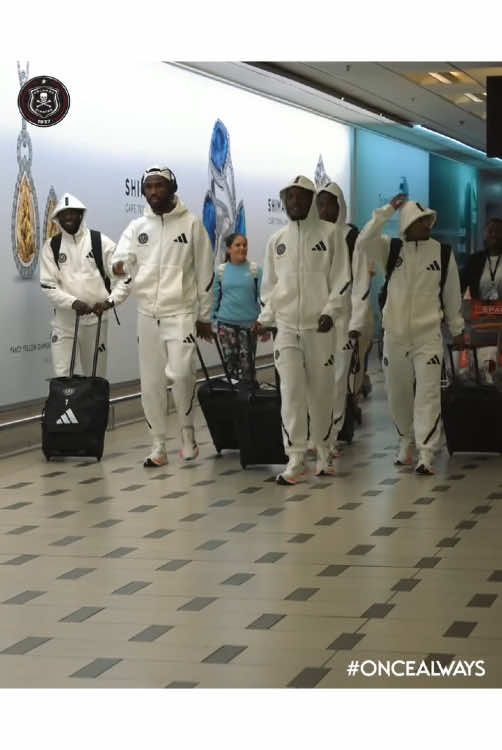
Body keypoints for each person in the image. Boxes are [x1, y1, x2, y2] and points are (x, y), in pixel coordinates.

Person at [112, 166, 214, 468]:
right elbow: (117, 263)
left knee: (182, 373)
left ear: (172, 188)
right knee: (152, 381)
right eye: (149, 187)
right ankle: (158, 444)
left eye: (159, 186)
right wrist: (121, 265)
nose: (153, 192)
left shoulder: (192, 224)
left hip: (180, 311)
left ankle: (186, 432)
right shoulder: (137, 226)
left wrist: (204, 315)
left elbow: (205, 273)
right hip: (147, 313)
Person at [356, 194, 465, 475]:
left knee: (427, 394)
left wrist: (457, 329)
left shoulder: (442, 253)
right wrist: (386, 211)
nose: (427, 224)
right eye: (420, 220)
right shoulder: (390, 249)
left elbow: (452, 294)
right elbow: (363, 240)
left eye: (428, 220)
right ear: (406, 224)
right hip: (395, 336)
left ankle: (427, 453)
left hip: (428, 336)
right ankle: (406, 441)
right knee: (398, 393)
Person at [253, 175, 351, 485]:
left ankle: (323, 450)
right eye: (290, 198)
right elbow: (271, 288)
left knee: (320, 393)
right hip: (286, 329)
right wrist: (266, 317)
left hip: (319, 329)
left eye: (301, 197)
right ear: (284, 201)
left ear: (310, 200)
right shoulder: (277, 240)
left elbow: (341, 279)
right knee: (290, 393)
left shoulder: (331, 235)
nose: (295, 203)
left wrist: (330, 312)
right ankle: (295, 457)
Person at [40, 193, 130, 377]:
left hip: (95, 322)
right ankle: (65, 407)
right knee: (62, 376)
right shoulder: (52, 247)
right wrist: (73, 303)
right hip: (64, 322)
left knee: (95, 375)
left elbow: (125, 277)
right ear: (58, 219)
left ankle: (96, 407)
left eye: (73, 213)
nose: (69, 218)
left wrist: (110, 301)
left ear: (81, 215)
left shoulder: (100, 242)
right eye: (64, 214)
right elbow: (48, 285)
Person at [316, 182, 371, 451]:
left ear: (340, 206)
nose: (325, 210)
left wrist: (357, 322)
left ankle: (335, 430)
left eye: (330, 204)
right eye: (321, 204)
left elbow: (360, 283)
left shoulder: (352, 238)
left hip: (344, 318)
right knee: (316, 377)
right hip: (316, 319)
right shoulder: (312, 236)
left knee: (339, 377)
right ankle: (317, 430)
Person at [213, 232, 269, 381]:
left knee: (247, 368)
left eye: (245, 245)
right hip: (225, 326)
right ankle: (233, 402)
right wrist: (212, 322)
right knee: (230, 368)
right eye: (238, 245)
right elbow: (213, 299)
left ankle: (249, 401)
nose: (242, 248)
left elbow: (264, 298)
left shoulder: (255, 270)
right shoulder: (220, 271)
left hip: (250, 327)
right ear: (229, 249)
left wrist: (266, 323)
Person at [460, 217, 502, 382]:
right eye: (490, 231)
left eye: (498, 231)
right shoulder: (475, 260)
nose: (494, 235)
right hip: (482, 319)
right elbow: (460, 284)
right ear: (484, 234)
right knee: (484, 359)